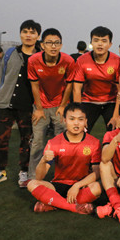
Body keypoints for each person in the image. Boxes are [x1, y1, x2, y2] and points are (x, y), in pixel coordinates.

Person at [0, 20, 41, 188]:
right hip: (6, 102)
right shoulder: (11, 53)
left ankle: (24, 171)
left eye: (32, 32)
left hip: (27, 105)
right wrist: (2, 93)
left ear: (38, 35)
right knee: (1, 139)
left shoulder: (41, 55)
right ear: (20, 34)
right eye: (25, 32)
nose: (28, 35)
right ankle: (0, 170)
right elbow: (3, 75)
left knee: (27, 140)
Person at [26, 103, 101, 214]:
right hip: (58, 185)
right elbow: (39, 177)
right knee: (32, 184)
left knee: (97, 187)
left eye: (80, 119)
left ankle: (53, 204)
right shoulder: (54, 143)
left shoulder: (94, 143)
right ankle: (73, 207)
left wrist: (77, 185)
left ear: (86, 121)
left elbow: (97, 173)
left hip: (81, 186)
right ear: (65, 120)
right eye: (72, 119)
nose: (76, 123)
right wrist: (43, 160)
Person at [27, 28, 76, 179]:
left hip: (60, 106)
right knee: (37, 142)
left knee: (62, 142)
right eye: (49, 43)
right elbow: (34, 86)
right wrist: (39, 108)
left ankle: (63, 176)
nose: (53, 46)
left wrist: (63, 106)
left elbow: (69, 85)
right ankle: (33, 177)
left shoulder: (68, 61)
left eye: (57, 43)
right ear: (42, 45)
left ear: (61, 45)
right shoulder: (33, 60)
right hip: (41, 106)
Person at [72, 26, 120, 134]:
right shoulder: (82, 60)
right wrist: (79, 115)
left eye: (104, 41)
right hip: (89, 100)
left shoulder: (117, 61)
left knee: (116, 132)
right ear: (91, 43)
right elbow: (77, 89)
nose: (100, 44)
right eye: (96, 40)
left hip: (111, 102)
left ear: (110, 44)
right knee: (80, 131)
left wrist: (116, 115)